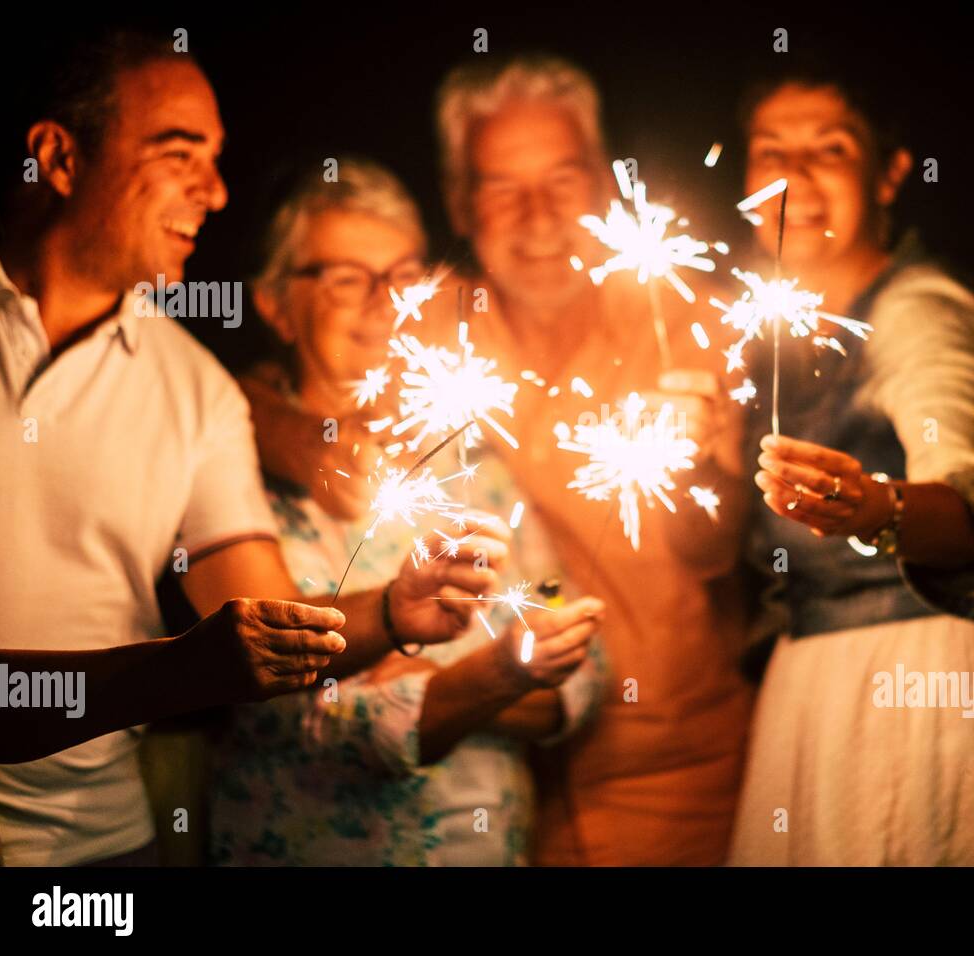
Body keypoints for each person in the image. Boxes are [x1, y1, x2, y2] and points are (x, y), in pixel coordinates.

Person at [0, 30, 496, 866]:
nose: (215, 193)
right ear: (58, 157)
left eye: (218, 161)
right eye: (180, 154)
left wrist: (396, 610)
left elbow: (266, 619)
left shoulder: (197, 390)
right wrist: (170, 676)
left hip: (104, 847)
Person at [246, 55, 755, 865]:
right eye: (501, 186)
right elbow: (260, 384)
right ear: (459, 202)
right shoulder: (422, 318)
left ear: (603, 185)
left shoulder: (681, 323)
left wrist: (702, 468)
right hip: (504, 795)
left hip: (676, 772)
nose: (539, 217)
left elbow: (716, 548)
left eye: (562, 179)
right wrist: (314, 452)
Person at [207, 159, 606, 865]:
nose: (383, 303)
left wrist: (442, 684)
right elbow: (311, 714)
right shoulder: (231, 475)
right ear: (273, 304)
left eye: (400, 277)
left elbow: (580, 666)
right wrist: (501, 675)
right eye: (346, 279)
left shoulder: (474, 467)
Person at [728, 66, 974, 865]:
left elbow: (973, 510)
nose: (795, 176)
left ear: (889, 173)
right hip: (814, 686)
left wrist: (877, 509)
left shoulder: (920, 307)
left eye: (830, 149)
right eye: (771, 149)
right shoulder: (766, 335)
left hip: (923, 685)